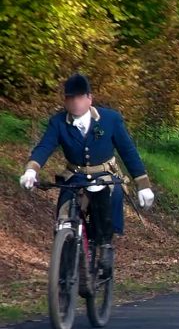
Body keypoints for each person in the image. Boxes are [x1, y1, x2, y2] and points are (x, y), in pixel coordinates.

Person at [19, 73, 155, 275]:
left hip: (105, 174)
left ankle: (104, 246)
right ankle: (66, 259)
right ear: (65, 100)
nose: (75, 102)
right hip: (75, 176)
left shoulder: (110, 120)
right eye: (70, 98)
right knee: (63, 215)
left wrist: (143, 185)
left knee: (110, 197)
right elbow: (45, 146)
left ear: (89, 98)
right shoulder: (58, 122)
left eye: (79, 97)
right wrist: (31, 170)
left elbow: (128, 152)